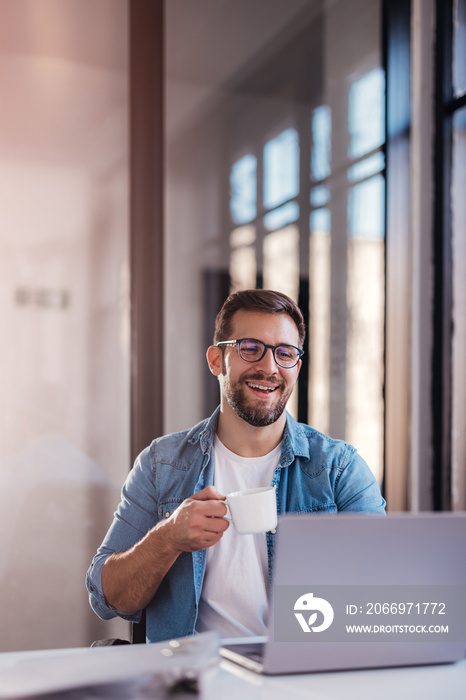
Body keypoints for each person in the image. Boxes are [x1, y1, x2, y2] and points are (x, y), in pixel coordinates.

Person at [86, 289, 385, 643]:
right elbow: (108, 599)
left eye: (284, 353)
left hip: (300, 678)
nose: (269, 367)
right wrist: (168, 539)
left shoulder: (340, 470)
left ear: (296, 367)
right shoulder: (160, 465)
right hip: (191, 681)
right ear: (217, 360)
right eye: (250, 348)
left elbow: (379, 600)